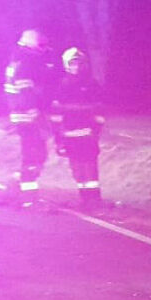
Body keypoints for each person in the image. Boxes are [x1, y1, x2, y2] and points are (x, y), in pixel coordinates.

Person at [3, 28, 59, 205]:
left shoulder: (20, 58)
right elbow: (25, 86)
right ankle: (28, 196)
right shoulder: (26, 60)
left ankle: (17, 185)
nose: (44, 48)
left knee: (35, 153)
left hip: (23, 113)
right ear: (29, 43)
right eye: (41, 45)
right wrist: (33, 108)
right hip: (28, 114)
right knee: (34, 153)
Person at [50, 46, 105, 208]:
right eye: (73, 63)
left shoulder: (91, 84)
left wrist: (96, 130)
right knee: (77, 167)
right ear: (67, 64)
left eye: (79, 63)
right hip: (69, 133)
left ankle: (94, 198)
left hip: (88, 132)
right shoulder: (62, 86)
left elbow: (100, 110)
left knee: (90, 165)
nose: (76, 67)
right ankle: (84, 198)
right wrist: (58, 139)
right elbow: (56, 114)